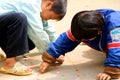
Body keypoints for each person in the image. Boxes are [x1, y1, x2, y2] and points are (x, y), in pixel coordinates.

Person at [39, 9, 120, 80]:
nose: (82, 40)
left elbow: (116, 49)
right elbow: (66, 39)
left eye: (85, 39)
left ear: (99, 31)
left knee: (113, 49)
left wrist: (111, 71)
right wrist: (49, 58)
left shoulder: (115, 28)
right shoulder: (86, 22)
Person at [0, 0, 67, 76]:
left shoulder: (39, 7)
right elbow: (37, 32)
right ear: (48, 4)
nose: (48, 19)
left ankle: (11, 54)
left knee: (30, 42)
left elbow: (47, 28)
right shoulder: (30, 4)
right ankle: (10, 65)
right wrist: (51, 54)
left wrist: (58, 48)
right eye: (51, 17)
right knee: (19, 18)